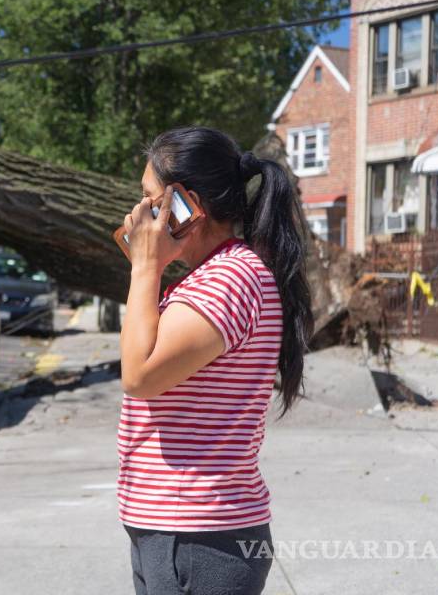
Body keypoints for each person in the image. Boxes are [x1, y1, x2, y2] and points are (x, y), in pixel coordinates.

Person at [117, 126, 313, 595]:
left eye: (150, 199)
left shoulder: (230, 278)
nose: (138, 214)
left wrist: (145, 266)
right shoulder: (212, 276)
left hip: (199, 536)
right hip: (183, 530)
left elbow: (139, 375)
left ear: (187, 207)